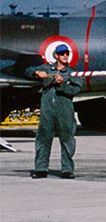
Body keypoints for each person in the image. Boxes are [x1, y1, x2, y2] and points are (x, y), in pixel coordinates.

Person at [27, 44, 83, 178]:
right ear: (57, 55)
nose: (65, 56)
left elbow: (74, 90)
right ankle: (41, 169)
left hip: (64, 111)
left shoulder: (72, 72)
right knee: (43, 140)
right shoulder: (47, 68)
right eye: (62, 53)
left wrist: (62, 84)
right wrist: (36, 73)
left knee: (67, 141)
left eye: (67, 53)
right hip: (47, 111)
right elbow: (27, 70)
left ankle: (67, 170)